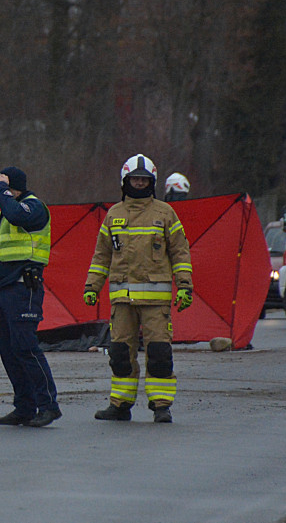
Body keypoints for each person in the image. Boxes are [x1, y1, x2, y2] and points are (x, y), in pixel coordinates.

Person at [83, 154, 193, 423]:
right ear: (125, 181)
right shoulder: (113, 215)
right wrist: (92, 287)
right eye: (135, 179)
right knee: (120, 353)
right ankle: (120, 405)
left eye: (144, 180)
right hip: (122, 300)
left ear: (152, 182)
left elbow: (180, 251)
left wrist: (185, 286)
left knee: (159, 353)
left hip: (156, 301)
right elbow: (101, 256)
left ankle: (161, 406)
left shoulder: (165, 213)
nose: (140, 183)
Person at [0, 166, 62, 428]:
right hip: (3, 289)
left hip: (24, 286)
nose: (0, 187)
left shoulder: (34, 207)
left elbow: (14, 215)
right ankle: (24, 407)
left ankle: (48, 406)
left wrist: (3, 191)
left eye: (3, 184)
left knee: (26, 347)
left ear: (16, 186)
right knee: (9, 351)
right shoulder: (4, 211)